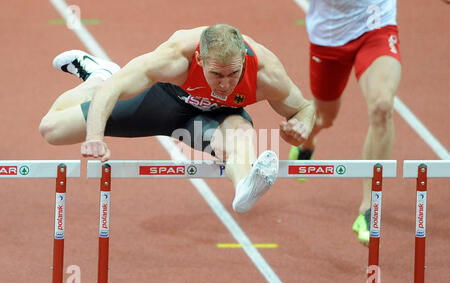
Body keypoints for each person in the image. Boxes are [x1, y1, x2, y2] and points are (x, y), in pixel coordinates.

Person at [39, 24, 315, 214]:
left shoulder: (265, 73)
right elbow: (114, 90)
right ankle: (98, 73)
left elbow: (303, 107)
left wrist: (301, 128)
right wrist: (95, 136)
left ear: (243, 60)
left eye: (233, 74)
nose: (225, 84)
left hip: (210, 120)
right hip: (160, 103)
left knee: (241, 134)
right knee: (52, 129)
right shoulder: (175, 56)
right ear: (200, 58)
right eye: (216, 75)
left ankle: (244, 186)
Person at [289, 0, 401, 245]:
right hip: (329, 36)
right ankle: (307, 142)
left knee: (382, 107)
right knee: (324, 117)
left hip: (376, 25)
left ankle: (370, 208)